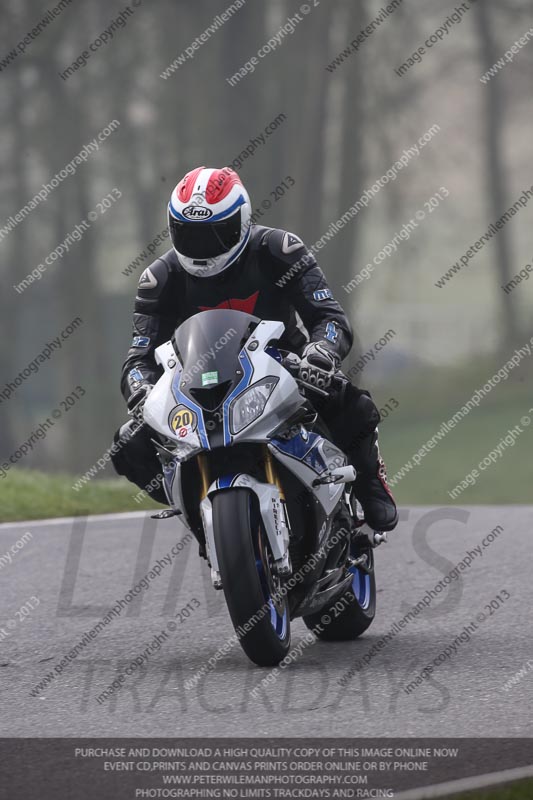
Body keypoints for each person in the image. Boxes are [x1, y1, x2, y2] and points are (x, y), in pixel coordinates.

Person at [112, 166, 398, 532]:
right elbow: (139, 355)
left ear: (241, 222)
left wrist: (322, 352)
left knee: (351, 404)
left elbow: (328, 316)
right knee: (129, 443)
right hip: (198, 383)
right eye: (189, 233)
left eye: (215, 233)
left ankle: (371, 482)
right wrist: (141, 389)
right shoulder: (159, 279)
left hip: (287, 364)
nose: (201, 246)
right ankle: (194, 507)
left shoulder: (278, 250)